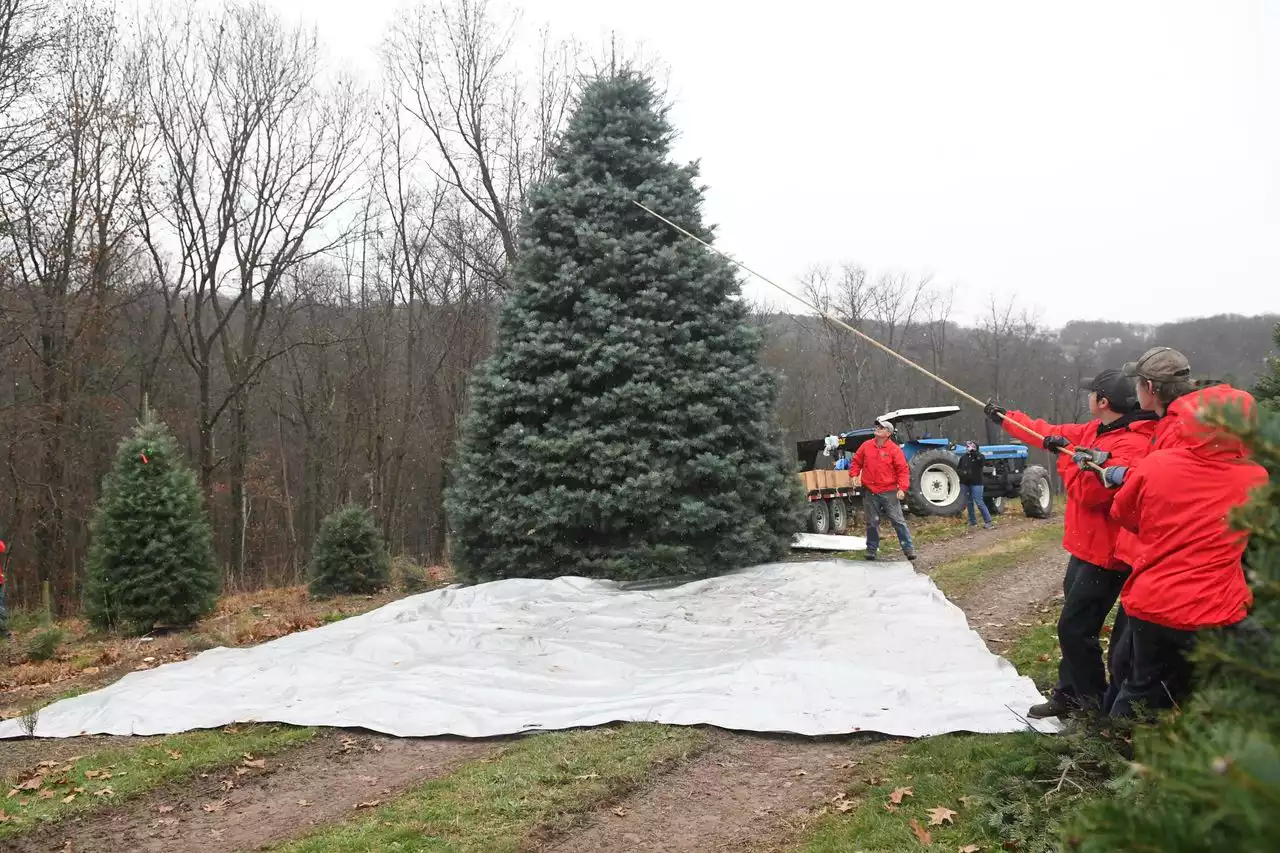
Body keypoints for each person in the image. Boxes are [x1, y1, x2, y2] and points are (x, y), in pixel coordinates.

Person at [984, 369, 1157, 718]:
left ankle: (1091, 702)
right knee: (1074, 626)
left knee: (1075, 629)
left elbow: (1090, 493)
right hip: (1085, 549)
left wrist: (1065, 456)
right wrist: (1006, 418)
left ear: (1103, 401)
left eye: (1092, 393)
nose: (1088, 398)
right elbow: (1046, 432)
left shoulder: (1133, 443)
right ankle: (1069, 692)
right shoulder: (1096, 431)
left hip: (1107, 555)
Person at [1106, 384, 1266, 719]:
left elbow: (1122, 514)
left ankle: (1115, 746)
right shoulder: (1255, 479)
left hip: (1153, 604)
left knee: (1141, 687)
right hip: (1215, 610)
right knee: (1208, 691)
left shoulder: (1156, 465)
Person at [848, 420, 916, 562]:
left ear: (888, 433)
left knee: (898, 521)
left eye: (881, 427)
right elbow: (856, 461)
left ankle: (908, 549)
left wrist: (902, 488)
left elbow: (903, 471)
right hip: (870, 491)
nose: (877, 428)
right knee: (872, 522)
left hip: (889, 492)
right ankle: (871, 550)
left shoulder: (894, 449)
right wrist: (854, 474)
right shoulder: (866, 446)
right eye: (877, 426)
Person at [956, 441, 993, 531]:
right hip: (965, 483)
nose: (968, 448)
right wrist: (963, 473)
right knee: (969, 502)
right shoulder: (963, 458)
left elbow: (982, 462)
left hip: (977, 483)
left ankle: (988, 522)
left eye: (970, 446)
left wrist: (974, 452)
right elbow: (958, 469)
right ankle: (972, 522)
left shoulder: (979, 456)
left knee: (979, 502)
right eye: (967, 446)